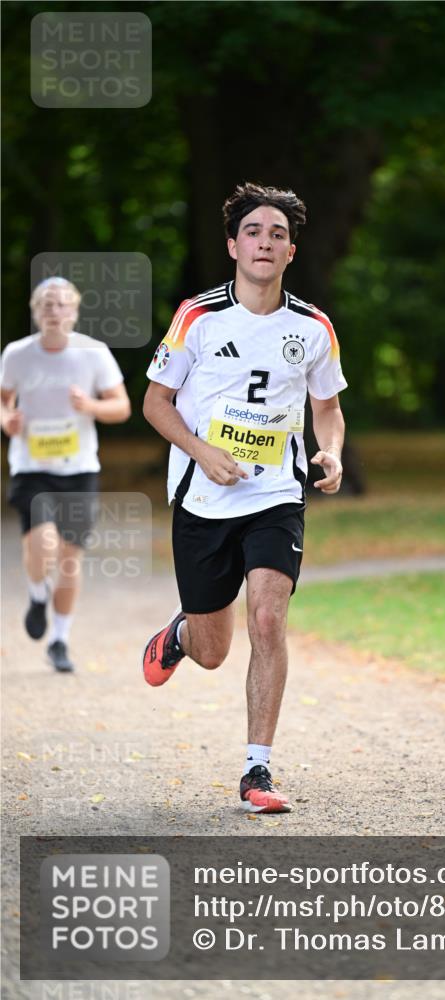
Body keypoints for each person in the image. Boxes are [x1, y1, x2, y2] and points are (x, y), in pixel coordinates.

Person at [142, 182, 347, 814]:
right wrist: (203, 451)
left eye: (278, 234)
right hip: (202, 500)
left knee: (267, 617)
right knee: (214, 650)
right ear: (233, 245)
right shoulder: (197, 316)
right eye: (254, 232)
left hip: (275, 496)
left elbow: (328, 409)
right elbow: (155, 404)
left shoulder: (313, 327)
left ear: (291, 252)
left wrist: (331, 450)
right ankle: (182, 633)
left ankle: (257, 770)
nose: (265, 242)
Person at [1, 276, 131, 672]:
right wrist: (9, 421)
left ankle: (59, 640)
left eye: (61, 305)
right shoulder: (17, 354)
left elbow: (122, 407)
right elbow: (3, 402)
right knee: (42, 545)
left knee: (70, 559)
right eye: (46, 305)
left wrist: (89, 405)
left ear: (74, 312)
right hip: (32, 467)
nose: (54, 311)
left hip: (78, 470)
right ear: (35, 312)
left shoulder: (93, 354)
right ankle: (38, 594)